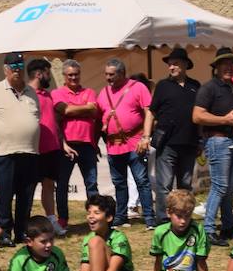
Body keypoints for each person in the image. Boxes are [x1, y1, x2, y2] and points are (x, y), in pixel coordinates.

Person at [112, 189, 211, 271]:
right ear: (169, 212)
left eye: (187, 216)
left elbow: (201, 264)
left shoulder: (198, 230)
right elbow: (157, 262)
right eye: (179, 216)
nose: (183, 221)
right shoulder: (160, 232)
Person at [0, 51, 42, 243]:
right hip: (5, 152)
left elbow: (36, 118)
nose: (17, 71)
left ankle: (22, 231)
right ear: (5, 69)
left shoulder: (32, 92)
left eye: (20, 67)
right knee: (5, 194)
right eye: (13, 68)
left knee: (26, 195)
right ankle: (4, 233)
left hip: (30, 152)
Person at [192, 48, 233, 245]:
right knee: (220, 185)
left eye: (231, 64)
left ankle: (227, 227)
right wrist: (224, 119)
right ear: (216, 67)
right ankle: (208, 230)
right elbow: (197, 116)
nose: (228, 67)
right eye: (223, 63)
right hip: (217, 140)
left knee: (230, 187)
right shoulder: (209, 88)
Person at [98, 59, 155, 229]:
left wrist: (146, 137)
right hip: (113, 146)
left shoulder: (138, 87)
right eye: (106, 74)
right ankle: (121, 217)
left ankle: (149, 218)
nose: (108, 78)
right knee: (119, 183)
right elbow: (98, 115)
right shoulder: (103, 92)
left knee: (142, 181)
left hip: (135, 143)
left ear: (122, 74)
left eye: (111, 74)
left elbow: (149, 111)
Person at [149, 47, 202, 216]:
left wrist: (200, 139)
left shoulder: (195, 86)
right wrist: (145, 136)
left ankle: (183, 218)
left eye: (175, 64)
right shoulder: (162, 86)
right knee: (164, 186)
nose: (171, 67)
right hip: (167, 144)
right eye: (169, 64)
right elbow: (151, 112)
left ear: (185, 65)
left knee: (185, 186)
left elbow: (200, 114)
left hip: (189, 143)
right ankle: (164, 220)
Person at [28, 59, 72, 235]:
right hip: (33, 149)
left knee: (49, 185)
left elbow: (52, 122)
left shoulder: (48, 95)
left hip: (52, 148)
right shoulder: (26, 94)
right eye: (47, 72)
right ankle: (25, 222)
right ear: (39, 74)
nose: (49, 76)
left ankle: (52, 220)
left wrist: (63, 143)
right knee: (29, 187)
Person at [75, 193, 135, 271]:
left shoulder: (119, 237)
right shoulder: (88, 238)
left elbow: (114, 269)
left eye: (96, 213)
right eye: (89, 213)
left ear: (109, 218)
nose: (91, 216)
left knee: (96, 241)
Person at [55, 59, 101, 200]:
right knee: (62, 184)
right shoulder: (57, 93)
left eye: (76, 74)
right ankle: (62, 219)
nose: (74, 77)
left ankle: (94, 214)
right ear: (64, 76)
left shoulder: (89, 92)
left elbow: (94, 111)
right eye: (70, 75)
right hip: (66, 145)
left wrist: (71, 109)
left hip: (88, 145)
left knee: (92, 184)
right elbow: (66, 110)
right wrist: (85, 108)